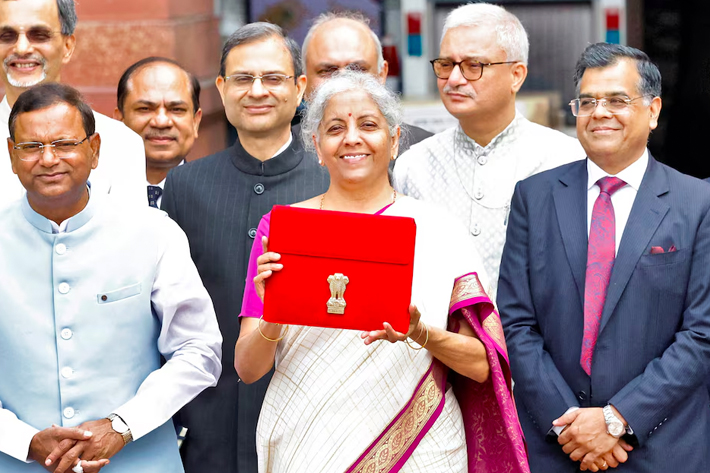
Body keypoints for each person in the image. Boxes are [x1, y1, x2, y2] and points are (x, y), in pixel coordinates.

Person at [235, 70, 528, 473]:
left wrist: (421, 333)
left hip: (421, 448)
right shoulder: (283, 231)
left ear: (393, 142)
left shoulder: (437, 229)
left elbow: (482, 365)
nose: (352, 138)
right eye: (335, 127)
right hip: (307, 445)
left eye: (368, 125)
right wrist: (272, 317)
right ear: (317, 146)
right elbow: (247, 370)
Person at [497, 43, 710, 473]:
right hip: (556, 445)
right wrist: (569, 427)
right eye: (588, 101)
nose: (600, 112)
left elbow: (702, 333)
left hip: (663, 446)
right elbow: (516, 323)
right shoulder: (534, 198)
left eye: (617, 100)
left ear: (652, 111)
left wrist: (618, 419)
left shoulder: (698, 202)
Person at [0, 83, 222, 473]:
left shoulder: (154, 233)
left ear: (95, 149)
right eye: (31, 147)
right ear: (11, 156)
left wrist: (122, 426)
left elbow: (198, 351)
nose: (49, 159)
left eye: (65, 143)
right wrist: (23, 441)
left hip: (141, 462)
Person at [161, 23, 329, 473]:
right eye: (242, 79)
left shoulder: (332, 181)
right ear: (221, 88)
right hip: (204, 419)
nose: (257, 91)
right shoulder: (185, 184)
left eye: (273, 78)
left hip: (307, 415)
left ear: (299, 89)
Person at [393, 2, 585, 297]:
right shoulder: (413, 165)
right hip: (436, 341)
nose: (454, 80)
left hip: (536, 341)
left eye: (473, 66)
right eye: (446, 65)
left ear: (516, 75)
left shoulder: (565, 159)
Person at [0, 0, 146, 208]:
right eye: (6, 36)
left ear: (67, 46)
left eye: (39, 35)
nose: (22, 48)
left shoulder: (120, 143)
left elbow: (131, 236)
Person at [299, 11, 431, 154]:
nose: (343, 81)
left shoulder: (423, 151)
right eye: (327, 70)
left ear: (382, 75)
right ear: (303, 85)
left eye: (357, 69)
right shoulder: (278, 153)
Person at [114, 57, 202, 208]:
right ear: (119, 120)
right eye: (145, 109)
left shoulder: (223, 197)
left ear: (195, 121)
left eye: (176, 110)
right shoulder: (92, 196)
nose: (161, 122)